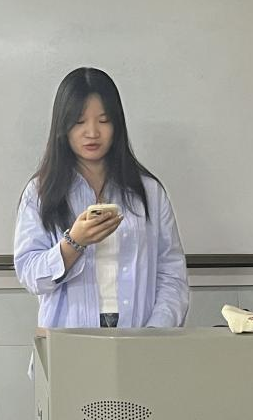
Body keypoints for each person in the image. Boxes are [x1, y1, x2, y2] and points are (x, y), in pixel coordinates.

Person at [14, 67, 189, 329]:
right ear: (62, 127)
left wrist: (154, 334)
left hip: (139, 337)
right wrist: (74, 242)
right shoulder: (41, 191)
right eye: (79, 122)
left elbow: (172, 277)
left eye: (104, 120)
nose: (92, 132)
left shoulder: (148, 192)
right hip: (70, 341)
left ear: (117, 125)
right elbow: (29, 274)